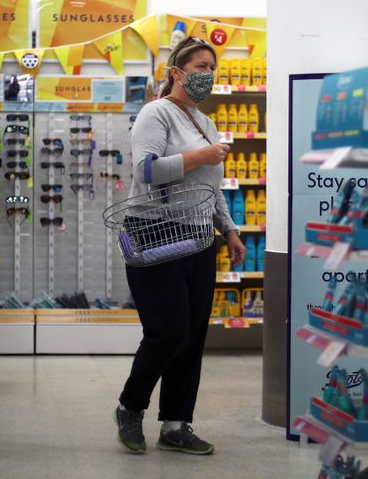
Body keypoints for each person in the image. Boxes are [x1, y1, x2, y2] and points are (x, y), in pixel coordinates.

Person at [115, 36, 246, 455]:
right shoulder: (156, 113)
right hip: (155, 232)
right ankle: (130, 406)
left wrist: (228, 230)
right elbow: (144, 172)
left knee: (191, 335)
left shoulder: (204, 123)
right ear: (177, 71)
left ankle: (176, 424)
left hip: (197, 238)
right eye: (201, 67)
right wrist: (198, 157)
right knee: (167, 331)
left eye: (212, 68)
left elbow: (213, 187)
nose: (208, 74)